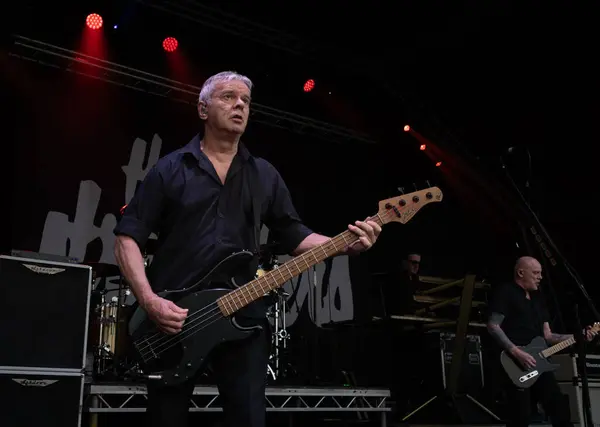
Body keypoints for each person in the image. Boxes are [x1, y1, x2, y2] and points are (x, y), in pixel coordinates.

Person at [113, 71, 381, 427]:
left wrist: (346, 244)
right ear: (203, 109)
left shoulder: (264, 174)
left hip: (243, 315)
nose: (239, 104)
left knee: (249, 418)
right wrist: (149, 300)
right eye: (227, 97)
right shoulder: (170, 169)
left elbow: (295, 236)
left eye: (246, 100)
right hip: (174, 318)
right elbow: (127, 237)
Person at [486, 256, 596, 427]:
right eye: (536, 273)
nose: (540, 277)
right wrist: (516, 352)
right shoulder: (506, 292)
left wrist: (579, 336)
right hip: (514, 362)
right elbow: (493, 326)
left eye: (541, 273)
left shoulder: (538, 298)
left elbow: (549, 336)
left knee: (558, 407)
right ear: (521, 272)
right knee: (520, 416)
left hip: (539, 361)